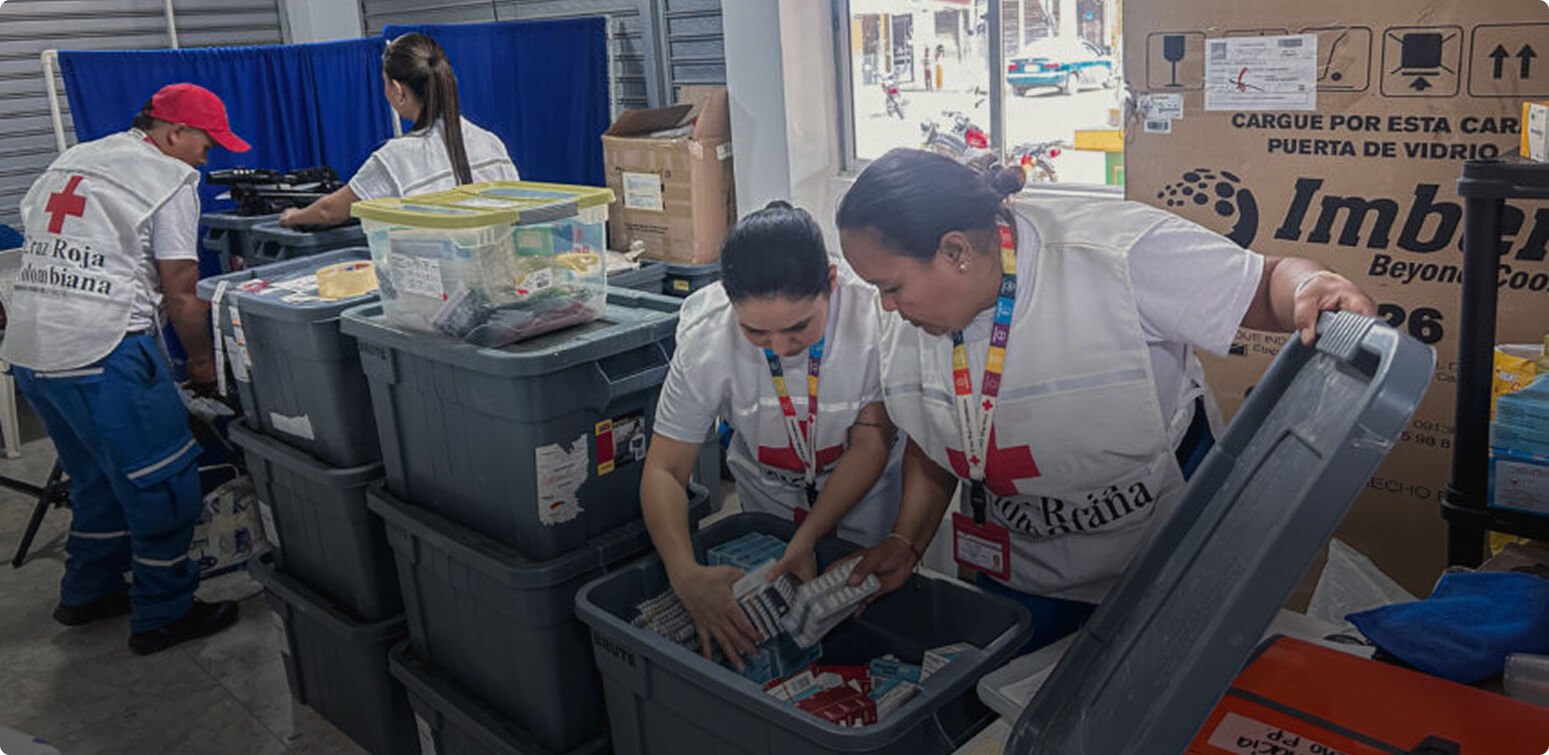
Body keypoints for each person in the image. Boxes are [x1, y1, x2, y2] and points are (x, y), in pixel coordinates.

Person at [837, 149, 1377, 651]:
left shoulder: (1114, 254)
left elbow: (1265, 285)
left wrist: (1312, 285)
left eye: (891, 287)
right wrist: (907, 541)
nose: (885, 308)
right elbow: (939, 440)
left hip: (1157, 552)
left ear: (955, 250)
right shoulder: (914, 318)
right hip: (1021, 566)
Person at [2, 83, 251, 654]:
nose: (205, 160)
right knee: (163, 485)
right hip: (102, 347)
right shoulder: (168, 180)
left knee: (94, 479)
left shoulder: (76, 159)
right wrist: (202, 364)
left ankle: (87, 592)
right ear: (173, 134)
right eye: (205, 146)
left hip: (32, 348)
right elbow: (183, 293)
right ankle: (164, 613)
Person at [641, 201, 903, 665]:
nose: (781, 348)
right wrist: (682, 572)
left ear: (831, 282)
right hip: (768, 504)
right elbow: (665, 469)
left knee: (867, 631)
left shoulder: (875, 320)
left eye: (799, 327)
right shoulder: (706, 339)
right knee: (779, 638)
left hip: (868, 504)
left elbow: (871, 444)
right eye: (757, 333)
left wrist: (808, 540)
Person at [279, 33, 518, 227]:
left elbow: (329, 211)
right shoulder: (490, 142)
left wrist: (292, 217)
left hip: (434, 281)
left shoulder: (396, 158)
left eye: (384, 82)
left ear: (398, 90)